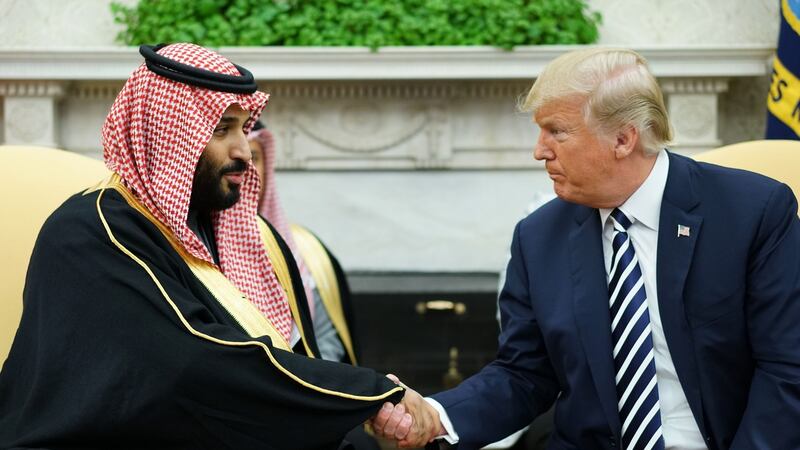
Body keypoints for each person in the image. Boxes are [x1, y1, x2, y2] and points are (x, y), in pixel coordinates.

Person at [372, 47, 800, 450]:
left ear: (623, 139)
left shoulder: (752, 213)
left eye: (556, 132)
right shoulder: (539, 237)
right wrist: (435, 415)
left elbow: (787, 368)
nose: (539, 151)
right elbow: (524, 374)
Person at [0, 43, 406, 449]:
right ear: (168, 135)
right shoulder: (92, 232)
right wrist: (368, 393)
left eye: (244, 129)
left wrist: (373, 404)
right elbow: (196, 364)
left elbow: (295, 355)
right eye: (221, 130)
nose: (243, 152)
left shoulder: (240, 232)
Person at [248, 122, 359, 365]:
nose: (246, 169)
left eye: (253, 157)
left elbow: (326, 338)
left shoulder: (305, 249)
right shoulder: (200, 247)